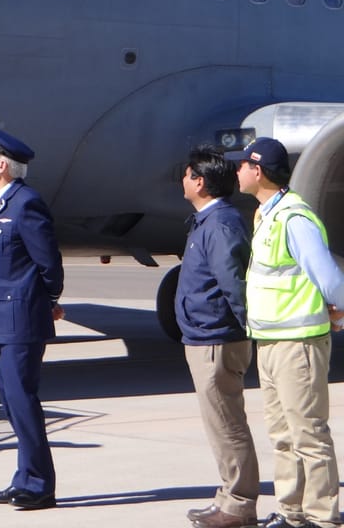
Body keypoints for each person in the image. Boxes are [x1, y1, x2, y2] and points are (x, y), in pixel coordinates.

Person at [225, 137, 344, 528]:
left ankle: (322, 517)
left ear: (257, 171)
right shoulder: (268, 215)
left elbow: (329, 277)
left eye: (243, 164)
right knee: (282, 434)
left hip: (298, 344)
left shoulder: (294, 218)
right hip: (271, 342)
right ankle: (292, 513)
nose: (237, 170)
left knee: (309, 434)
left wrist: (340, 310)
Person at [0, 126, 64, 511]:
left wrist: (49, 300)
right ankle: (24, 477)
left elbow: (48, 262)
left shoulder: (26, 204)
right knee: (11, 401)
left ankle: (39, 484)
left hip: (19, 319)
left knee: (23, 400)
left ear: (3, 166)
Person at [177, 146, 259, 528]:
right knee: (219, 424)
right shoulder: (207, 221)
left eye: (187, 174)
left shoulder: (220, 224)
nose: (182, 180)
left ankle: (239, 504)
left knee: (227, 424)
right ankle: (229, 496)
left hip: (217, 341)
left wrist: (249, 328)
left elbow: (234, 283)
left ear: (200, 182)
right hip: (204, 336)